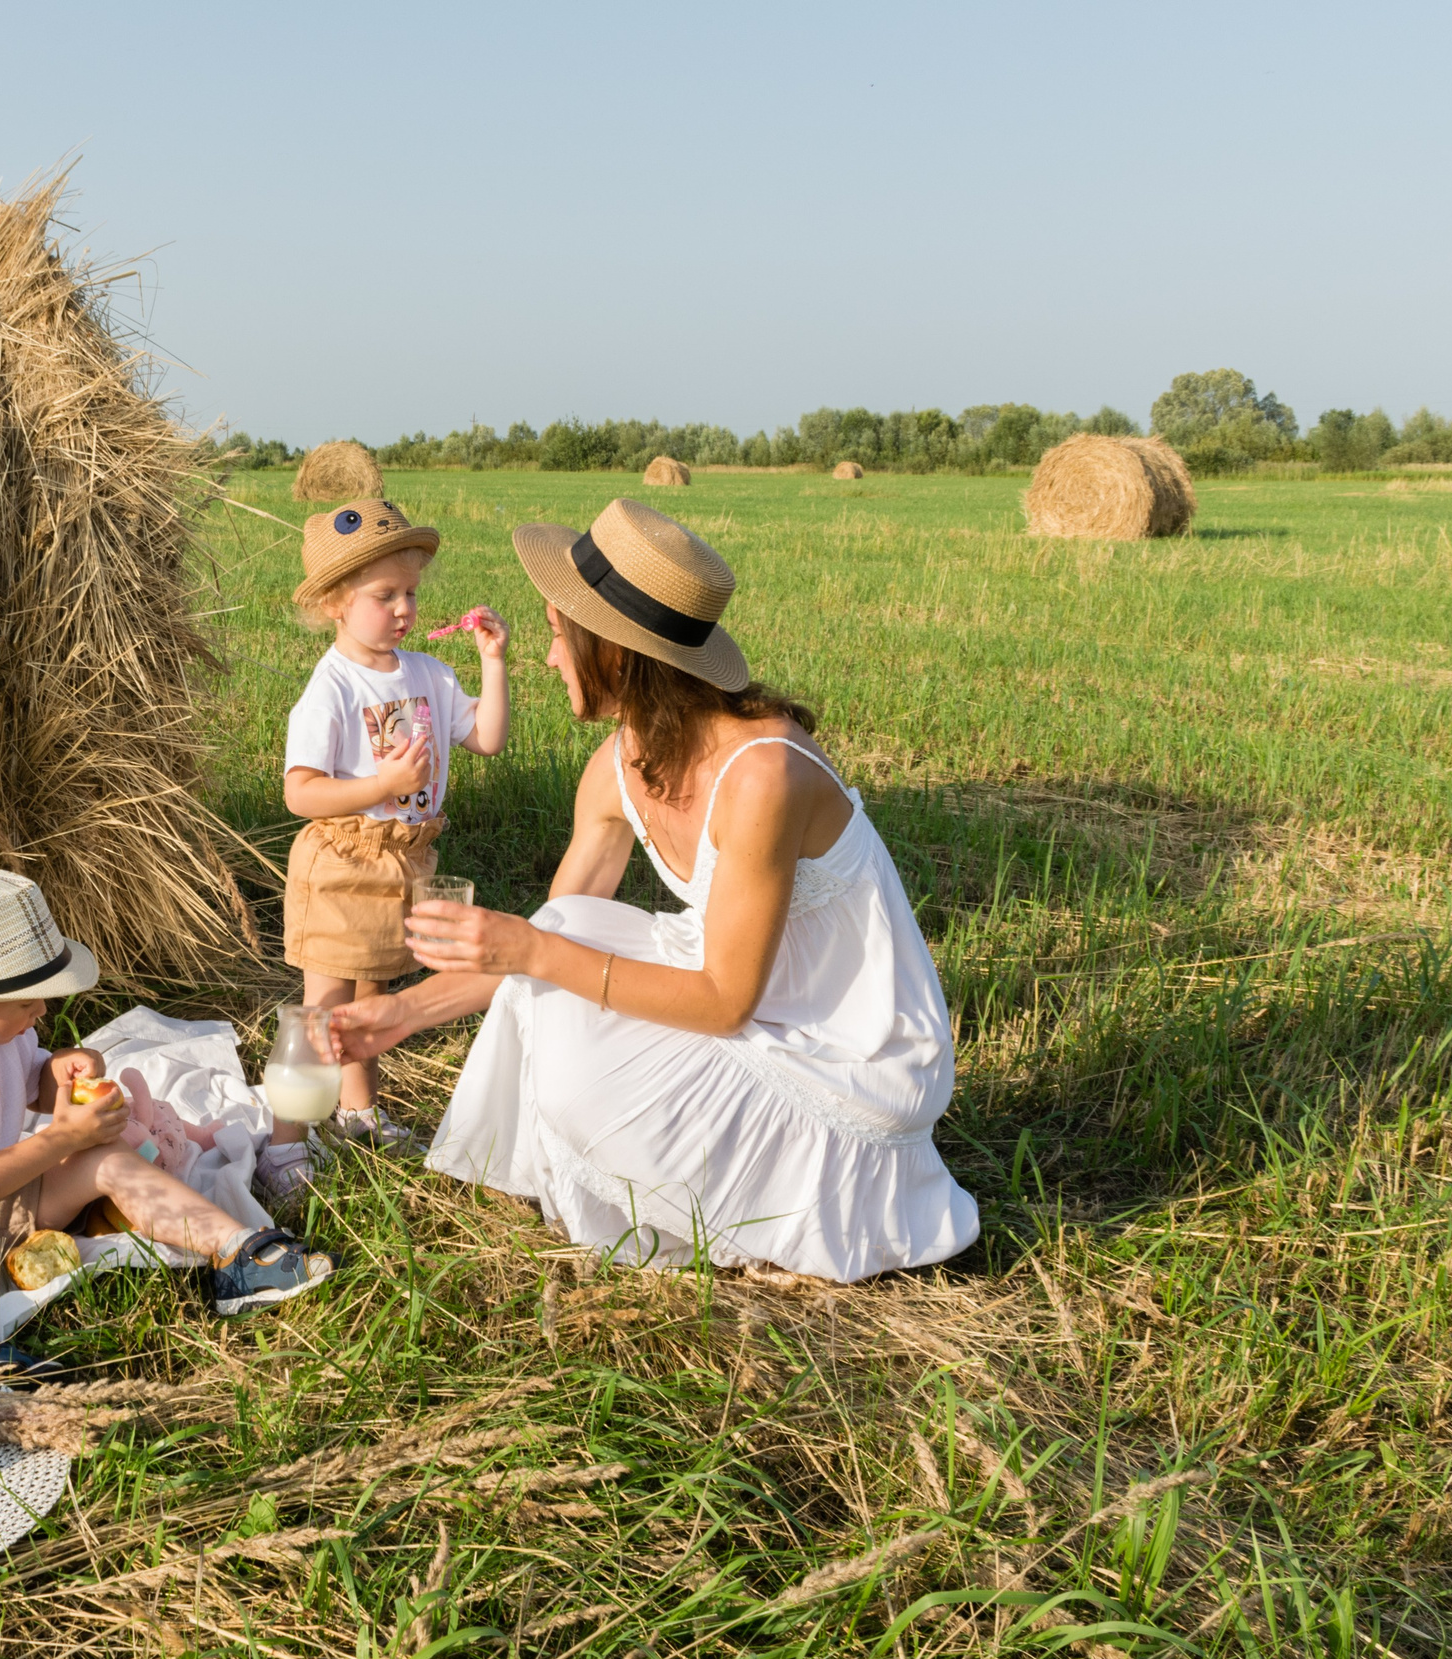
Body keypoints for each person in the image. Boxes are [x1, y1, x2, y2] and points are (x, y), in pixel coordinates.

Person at [323, 499, 977, 1282]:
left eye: (560, 634)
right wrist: (401, 1015)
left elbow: (723, 999)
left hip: (844, 1057)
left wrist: (533, 947)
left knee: (568, 1027)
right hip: (758, 1000)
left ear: (616, 653)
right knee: (565, 928)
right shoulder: (616, 767)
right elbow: (543, 942)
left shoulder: (764, 774)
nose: (549, 657)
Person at [0, 869, 335, 1369]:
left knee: (108, 1157)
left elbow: (34, 1086)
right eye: (27, 1001)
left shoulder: (0, 1033)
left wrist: (64, 1071)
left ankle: (237, 1253)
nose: (42, 1011)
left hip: (4, 1199)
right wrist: (62, 1138)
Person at [279, 499, 508, 1148]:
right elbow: (300, 792)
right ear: (334, 602)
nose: (404, 608)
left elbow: (487, 738)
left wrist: (493, 662)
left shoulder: (430, 674)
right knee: (323, 1007)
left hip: (404, 859)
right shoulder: (333, 688)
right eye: (385, 595)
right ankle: (284, 1141)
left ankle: (358, 1110)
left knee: (371, 999)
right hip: (342, 862)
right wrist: (383, 786)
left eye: (410, 592)